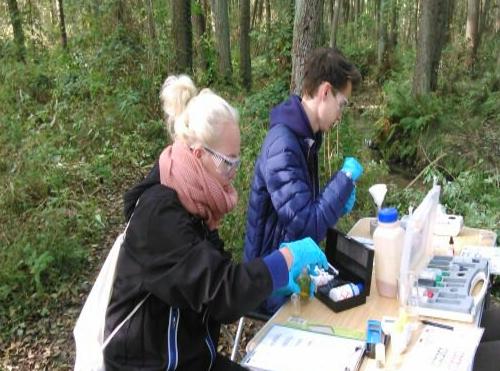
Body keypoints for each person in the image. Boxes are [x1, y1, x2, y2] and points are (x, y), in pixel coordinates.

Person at [103, 75, 329, 371]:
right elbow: (220, 292)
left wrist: (272, 283)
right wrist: (283, 262)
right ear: (198, 155)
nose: (234, 172)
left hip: (193, 359)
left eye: (237, 161)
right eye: (228, 162)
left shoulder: (196, 204)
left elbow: (221, 300)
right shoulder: (159, 215)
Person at [244, 47, 363, 314]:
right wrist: (343, 181)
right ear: (324, 92)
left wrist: (336, 202)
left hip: (292, 268)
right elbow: (307, 228)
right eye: (341, 103)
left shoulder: (304, 139)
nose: (340, 114)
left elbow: (303, 214)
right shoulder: (283, 145)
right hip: (270, 280)